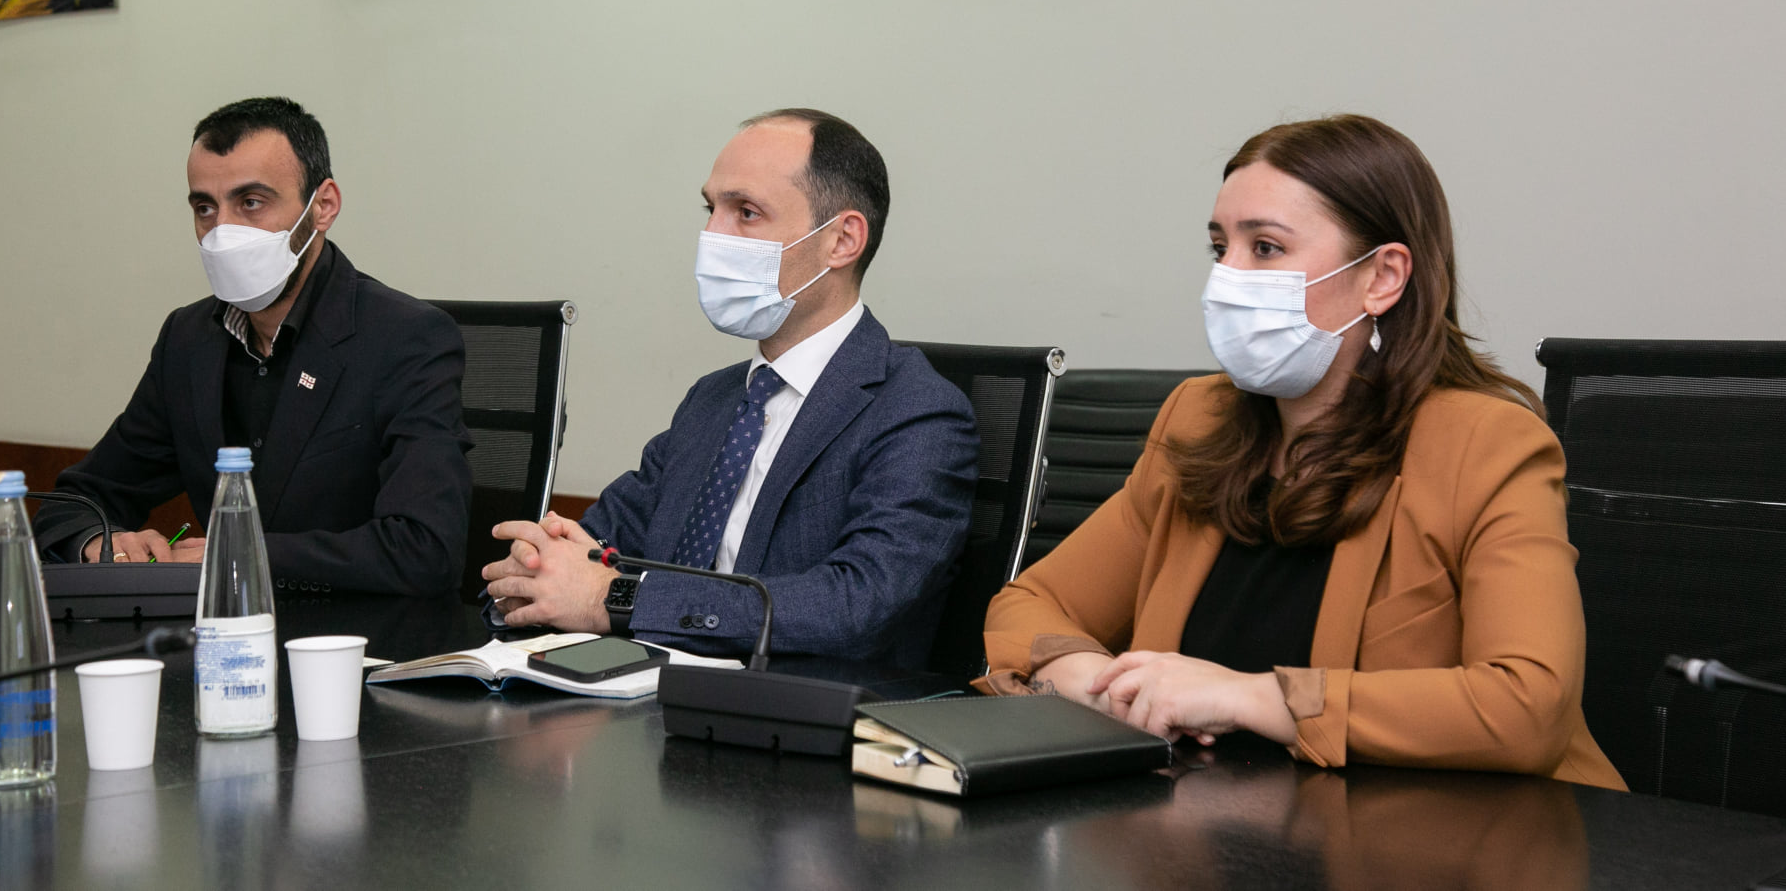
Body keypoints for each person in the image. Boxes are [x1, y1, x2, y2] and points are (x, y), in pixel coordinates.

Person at [982, 114, 1625, 789]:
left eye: (1265, 247)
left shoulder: (1489, 444)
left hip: (1449, 830)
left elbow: (1528, 706)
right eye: (1219, 248)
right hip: (1207, 820)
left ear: (1382, 277)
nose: (1226, 277)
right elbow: (1030, 604)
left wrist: (1252, 697)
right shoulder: (1198, 420)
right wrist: (1086, 677)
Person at [482, 108, 979, 667]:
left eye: (746, 212)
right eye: (710, 209)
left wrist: (617, 599)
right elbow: (598, 541)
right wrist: (534, 573)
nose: (712, 235)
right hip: (637, 690)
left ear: (842, 240)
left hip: (789, 706)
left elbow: (856, 605)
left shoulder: (919, 411)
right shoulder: (713, 400)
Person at [33, 97, 473, 597]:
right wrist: (98, 542)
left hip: (357, 632)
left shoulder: (406, 338)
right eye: (205, 208)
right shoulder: (188, 339)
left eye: (251, 203)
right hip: (220, 628)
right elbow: (78, 501)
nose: (223, 231)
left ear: (323, 206)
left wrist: (242, 552)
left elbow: (426, 549)